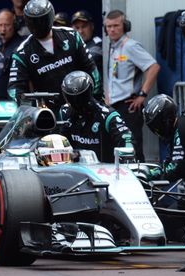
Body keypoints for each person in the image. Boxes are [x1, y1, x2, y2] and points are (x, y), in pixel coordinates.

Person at [8, 0, 100, 112]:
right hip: (49, 114)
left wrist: (95, 100)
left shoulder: (71, 36)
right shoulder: (22, 52)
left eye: (42, 20)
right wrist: (33, 111)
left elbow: (92, 70)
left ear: (50, 17)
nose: (38, 25)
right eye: (34, 21)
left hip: (82, 106)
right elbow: (15, 90)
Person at [104, 10, 160, 162]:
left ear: (125, 26)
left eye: (116, 25)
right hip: (114, 107)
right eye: (108, 26)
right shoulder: (113, 47)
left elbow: (153, 67)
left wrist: (142, 95)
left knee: (132, 149)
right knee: (117, 148)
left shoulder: (131, 46)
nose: (112, 30)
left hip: (128, 107)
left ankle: (141, 180)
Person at [58, 71, 131, 163]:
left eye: (80, 98)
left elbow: (126, 138)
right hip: (73, 171)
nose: (77, 102)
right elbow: (57, 143)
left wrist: (125, 158)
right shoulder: (64, 113)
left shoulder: (107, 116)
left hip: (103, 173)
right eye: (73, 98)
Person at [142, 94, 185, 185]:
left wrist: (150, 174)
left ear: (165, 120)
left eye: (156, 126)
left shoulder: (180, 130)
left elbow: (176, 168)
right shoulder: (177, 130)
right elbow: (170, 161)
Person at [0, 9, 24, 100]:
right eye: (0, 25)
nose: (3, 29)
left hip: (11, 103)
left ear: (15, 25)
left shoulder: (22, 46)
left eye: (7, 25)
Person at [71, 10, 103, 78]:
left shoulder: (98, 43)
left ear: (92, 26)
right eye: (77, 28)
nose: (80, 31)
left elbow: (91, 58)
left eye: (84, 26)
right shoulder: (72, 45)